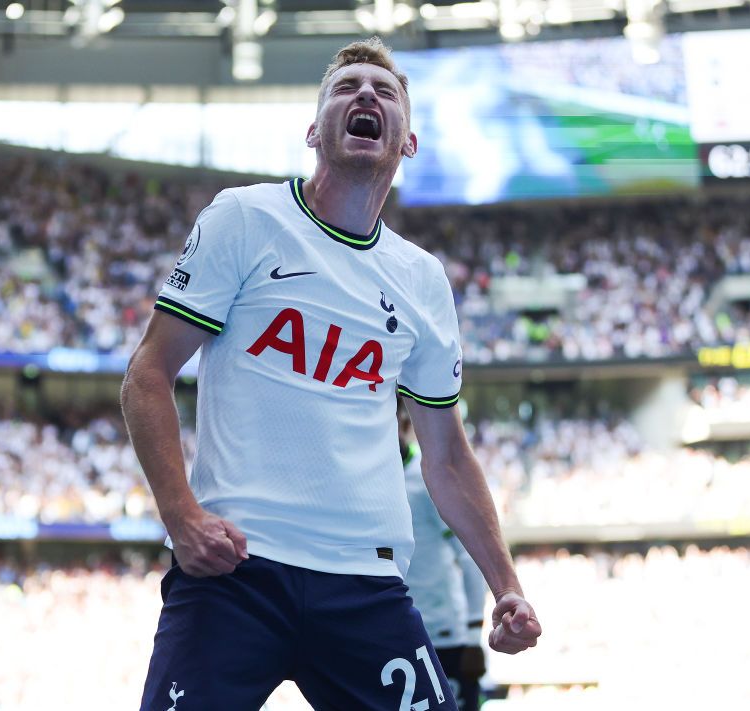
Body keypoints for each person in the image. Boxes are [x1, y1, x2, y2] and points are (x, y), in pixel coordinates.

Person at [122, 37, 542, 710]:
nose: (367, 94)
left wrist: (506, 584)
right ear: (315, 131)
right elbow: (147, 374)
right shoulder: (244, 217)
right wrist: (181, 515)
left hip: (364, 584)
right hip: (235, 570)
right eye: (346, 86)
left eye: (386, 89)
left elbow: (448, 456)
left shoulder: (422, 279)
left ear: (407, 142)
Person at [400, 410, 488, 709]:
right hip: (394, 633)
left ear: (405, 423)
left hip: (446, 637)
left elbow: (469, 555)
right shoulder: (368, 483)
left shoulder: (428, 479)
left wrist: (474, 637)